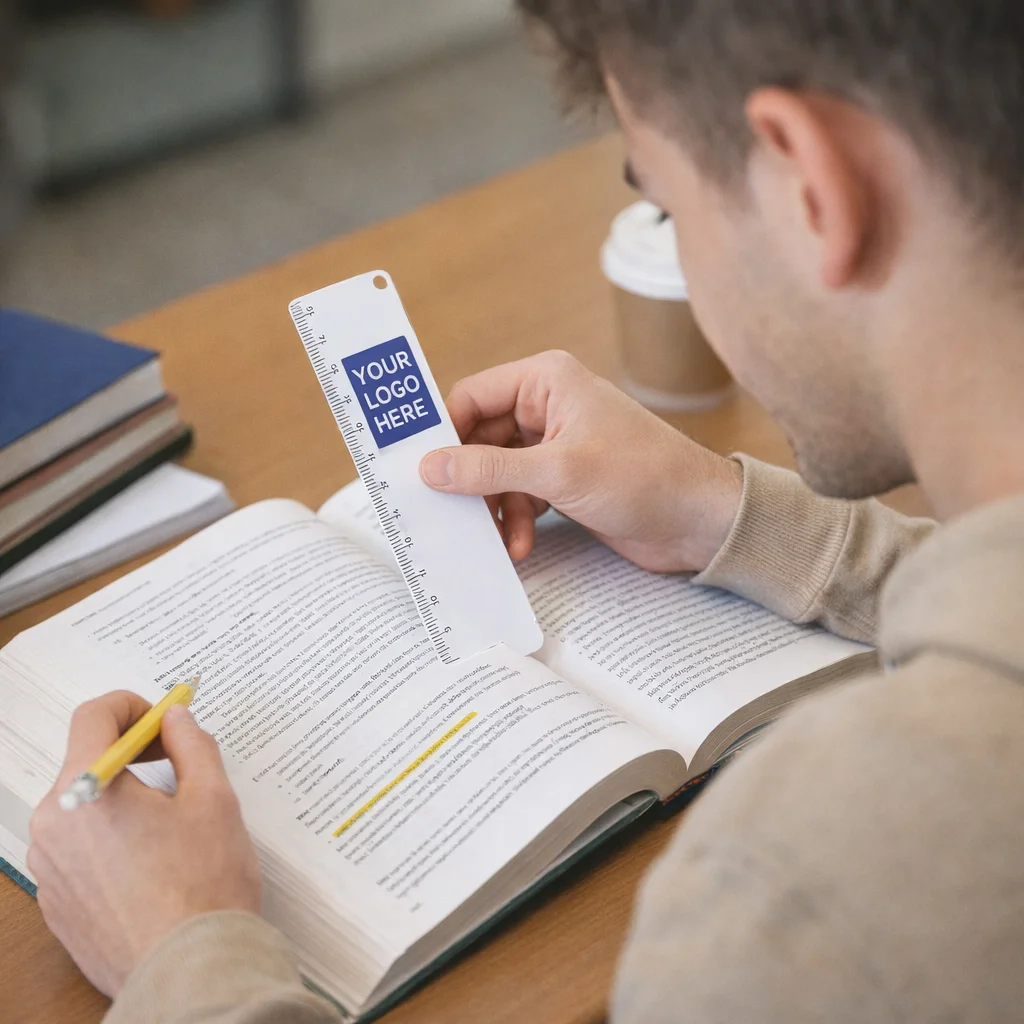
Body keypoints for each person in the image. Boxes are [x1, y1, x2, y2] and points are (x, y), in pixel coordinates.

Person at [24, 1, 1024, 1021]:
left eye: (669, 211)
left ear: (812, 185)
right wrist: (726, 513)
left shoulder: (803, 904)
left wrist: (183, 957)